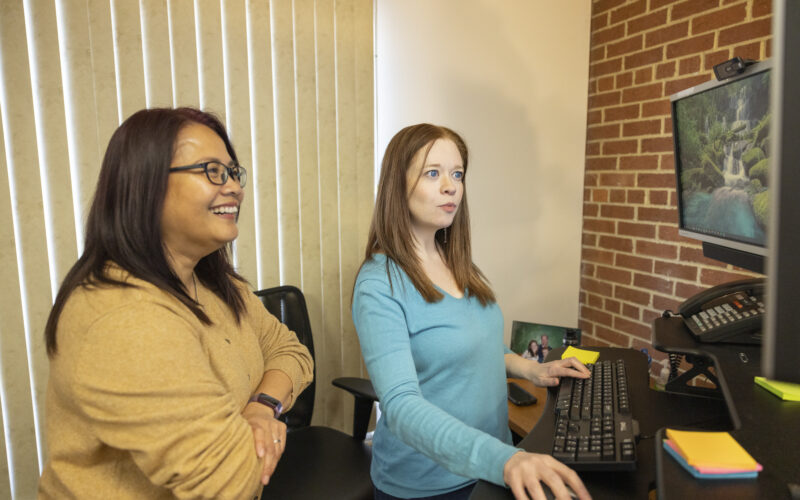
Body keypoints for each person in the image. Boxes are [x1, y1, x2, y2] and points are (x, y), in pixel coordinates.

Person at [37, 108, 314, 500]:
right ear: (145, 185)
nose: (234, 187)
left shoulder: (215, 284)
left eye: (234, 172)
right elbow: (231, 479)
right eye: (212, 171)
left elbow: (291, 351)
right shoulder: (125, 317)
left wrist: (261, 407)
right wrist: (250, 437)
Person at [351, 124, 592, 500]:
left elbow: (480, 345)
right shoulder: (379, 284)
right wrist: (505, 460)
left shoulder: (457, 262)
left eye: (457, 174)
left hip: (487, 468)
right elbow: (400, 406)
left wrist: (533, 369)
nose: (451, 186)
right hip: (427, 484)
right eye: (433, 173)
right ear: (398, 185)